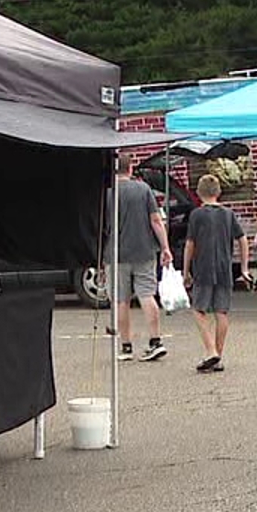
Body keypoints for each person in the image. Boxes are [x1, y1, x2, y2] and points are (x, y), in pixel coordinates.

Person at [103, 154, 172, 362]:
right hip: (144, 251)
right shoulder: (143, 189)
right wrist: (165, 247)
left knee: (121, 300)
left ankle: (126, 347)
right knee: (147, 295)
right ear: (130, 168)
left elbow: (100, 228)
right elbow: (156, 220)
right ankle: (155, 341)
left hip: (115, 254)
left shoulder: (106, 193)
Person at [181, 174, 252, 373]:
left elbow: (190, 244)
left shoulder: (196, 215)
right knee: (221, 312)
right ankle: (218, 356)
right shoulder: (228, 214)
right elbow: (243, 239)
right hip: (224, 267)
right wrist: (244, 267)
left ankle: (211, 350)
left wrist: (186, 271)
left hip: (203, 267)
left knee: (198, 309)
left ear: (198, 193)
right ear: (218, 192)